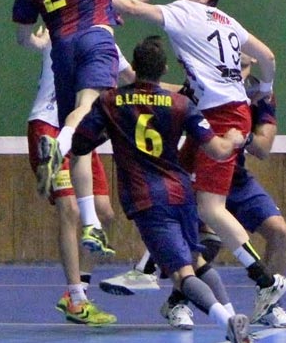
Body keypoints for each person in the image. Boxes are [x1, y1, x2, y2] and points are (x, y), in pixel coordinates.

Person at [109, 0, 286, 323]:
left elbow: (130, 5)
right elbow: (268, 57)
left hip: (222, 116)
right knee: (175, 187)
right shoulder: (228, 22)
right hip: (214, 112)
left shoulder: (186, 12)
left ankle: (265, 280)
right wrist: (266, 87)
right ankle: (147, 269)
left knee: (209, 208)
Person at [70, 36, 252, 343]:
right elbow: (218, 150)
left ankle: (228, 323)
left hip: (148, 199)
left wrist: (113, 133)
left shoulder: (110, 101)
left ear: (134, 66)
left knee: (182, 274)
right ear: (164, 69)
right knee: (196, 261)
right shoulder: (182, 104)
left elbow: (80, 144)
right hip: (181, 193)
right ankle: (235, 321)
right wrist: (234, 139)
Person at [102, 53, 286, 330]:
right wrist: (125, 71)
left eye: (242, 64)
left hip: (237, 178)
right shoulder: (202, 88)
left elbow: (263, 148)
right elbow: (157, 89)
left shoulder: (260, 95)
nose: (236, 69)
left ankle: (270, 305)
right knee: (201, 242)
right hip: (197, 171)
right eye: (232, 64)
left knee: (279, 231)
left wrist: (241, 135)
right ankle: (173, 298)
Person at [12, 0, 152, 257]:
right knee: (87, 106)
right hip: (95, 39)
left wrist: (37, 43)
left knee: (81, 141)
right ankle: (59, 143)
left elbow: (23, 36)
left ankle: (91, 224)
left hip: (62, 49)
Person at [25, 27, 134, 325]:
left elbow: (137, 80)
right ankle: (76, 299)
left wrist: (190, 90)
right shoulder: (61, 30)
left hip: (81, 136)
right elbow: (30, 40)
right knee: (70, 210)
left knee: (105, 214)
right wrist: (35, 39)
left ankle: (78, 291)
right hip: (48, 125)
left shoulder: (106, 45)